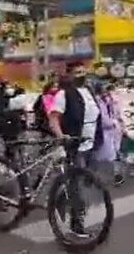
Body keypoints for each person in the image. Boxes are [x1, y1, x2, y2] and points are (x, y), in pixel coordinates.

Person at [47, 67, 101, 237]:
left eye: (83, 71)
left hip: (89, 145)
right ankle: (76, 224)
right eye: (77, 72)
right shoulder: (64, 95)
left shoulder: (88, 92)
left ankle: (60, 201)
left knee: (81, 183)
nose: (81, 75)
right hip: (74, 145)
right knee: (76, 187)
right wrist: (61, 136)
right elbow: (54, 118)